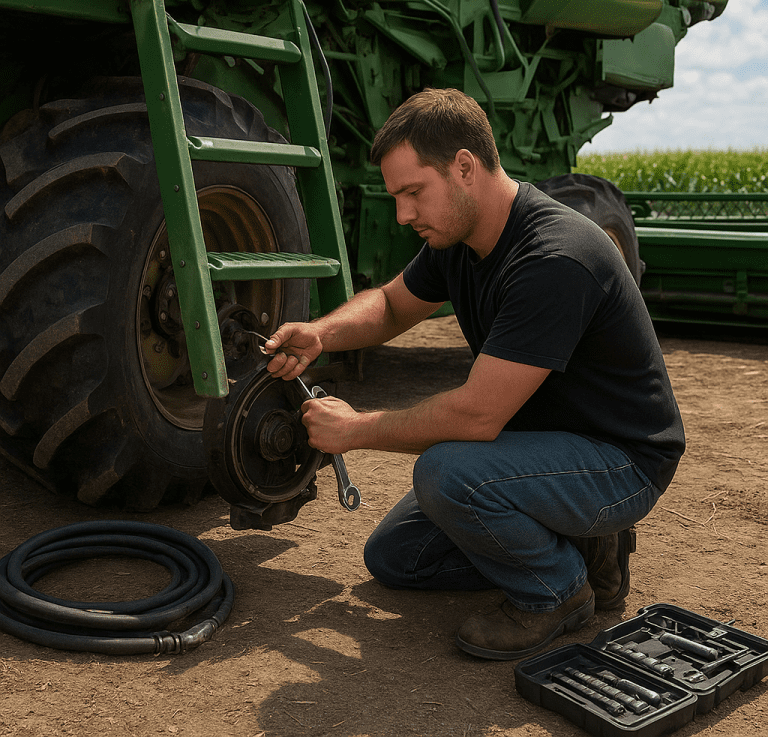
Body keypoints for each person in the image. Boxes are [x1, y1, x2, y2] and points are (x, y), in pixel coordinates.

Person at [263, 88, 685, 660]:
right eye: (396, 197)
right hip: (540, 443)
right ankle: (581, 544)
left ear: (465, 166)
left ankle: (558, 593)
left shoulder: (553, 259)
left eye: (413, 192)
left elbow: (478, 415)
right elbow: (390, 306)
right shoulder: (457, 239)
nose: (403, 214)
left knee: (447, 473)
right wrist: (322, 333)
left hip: (619, 460)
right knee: (395, 558)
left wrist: (356, 428)